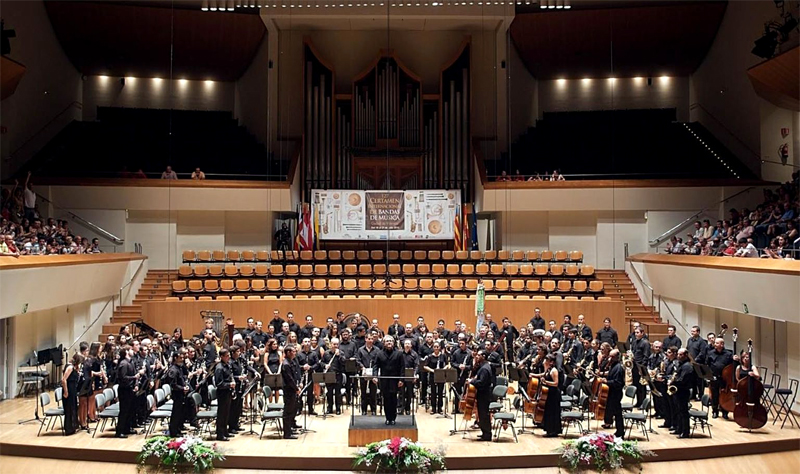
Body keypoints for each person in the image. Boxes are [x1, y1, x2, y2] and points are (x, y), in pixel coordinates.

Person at [374, 336, 405, 425]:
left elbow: (402, 367)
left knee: (394, 400)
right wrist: (375, 376)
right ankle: (388, 418)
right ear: (384, 343)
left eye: (391, 341)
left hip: (395, 381)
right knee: (386, 400)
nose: (389, 342)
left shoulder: (399, 354)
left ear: (394, 343)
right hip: (384, 381)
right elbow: (375, 366)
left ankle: (393, 418)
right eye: (387, 341)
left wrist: (401, 379)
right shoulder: (379, 353)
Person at [468, 350, 495, 441]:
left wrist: (472, 381)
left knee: (484, 415)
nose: (477, 356)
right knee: (482, 414)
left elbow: (481, 383)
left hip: (484, 394)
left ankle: (487, 435)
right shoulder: (484, 366)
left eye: (479, 355)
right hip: (483, 394)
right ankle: (485, 433)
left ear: (483, 356)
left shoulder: (484, 368)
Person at [706, 337, 734, 419]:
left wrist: (736, 360)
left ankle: (725, 412)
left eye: (717, 343)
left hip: (725, 379)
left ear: (722, 344)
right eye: (715, 343)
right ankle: (715, 411)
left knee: (725, 396)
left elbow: (732, 366)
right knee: (714, 395)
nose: (715, 344)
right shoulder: (710, 353)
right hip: (714, 377)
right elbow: (707, 364)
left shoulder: (728, 354)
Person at [672, 348, 696, 438]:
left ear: (686, 355)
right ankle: (679, 428)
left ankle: (685, 432)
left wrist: (672, 382)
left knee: (683, 412)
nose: (678, 356)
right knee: (678, 411)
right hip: (678, 391)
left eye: (681, 354)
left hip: (683, 391)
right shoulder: (680, 364)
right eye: (678, 354)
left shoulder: (687, 366)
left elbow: (682, 380)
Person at [115, 345, 138, 438]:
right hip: (124, 390)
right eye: (131, 350)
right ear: (127, 352)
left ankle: (127, 428)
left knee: (130, 410)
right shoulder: (124, 364)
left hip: (130, 389)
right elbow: (123, 377)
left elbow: (134, 373)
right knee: (124, 411)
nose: (133, 351)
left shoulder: (130, 362)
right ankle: (120, 431)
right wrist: (134, 377)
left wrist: (136, 385)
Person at [213, 349, 235, 441]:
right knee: (221, 414)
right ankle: (220, 434)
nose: (229, 357)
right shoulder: (219, 368)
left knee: (226, 413)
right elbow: (219, 384)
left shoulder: (227, 365)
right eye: (227, 356)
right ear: (221, 357)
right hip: (222, 393)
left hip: (227, 392)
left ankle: (225, 431)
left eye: (229, 355)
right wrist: (229, 384)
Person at [165, 349, 188, 437]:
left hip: (181, 393)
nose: (182, 359)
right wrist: (182, 388)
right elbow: (173, 385)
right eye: (180, 358)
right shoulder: (173, 370)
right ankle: (174, 432)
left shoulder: (179, 368)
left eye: (183, 357)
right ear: (175, 358)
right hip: (177, 394)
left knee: (179, 413)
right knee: (176, 413)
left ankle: (178, 429)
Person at [603, 349, 626, 438]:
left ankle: (620, 432)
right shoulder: (613, 366)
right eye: (610, 356)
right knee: (615, 413)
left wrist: (607, 382)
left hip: (615, 394)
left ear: (617, 357)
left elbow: (618, 383)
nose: (610, 358)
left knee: (618, 414)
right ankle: (619, 431)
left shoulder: (619, 368)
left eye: (612, 357)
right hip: (611, 393)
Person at [61, 353, 84, 435]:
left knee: (73, 408)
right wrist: (66, 392)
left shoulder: (74, 367)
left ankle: (73, 427)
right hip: (68, 390)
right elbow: (64, 380)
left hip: (73, 389)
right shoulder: (70, 367)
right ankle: (68, 429)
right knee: (69, 409)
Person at [281, 344, 300, 439]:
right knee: (288, 412)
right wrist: (296, 389)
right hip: (289, 391)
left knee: (292, 410)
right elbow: (289, 379)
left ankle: (290, 430)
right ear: (288, 353)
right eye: (293, 351)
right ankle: (287, 434)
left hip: (292, 390)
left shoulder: (290, 362)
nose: (295, 353)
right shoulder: (286, 364)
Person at [357, 334, 379, 416]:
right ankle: (364, 410)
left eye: (372, 339)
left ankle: (373, 410)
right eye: (369, 339)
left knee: (373, 393)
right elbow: (357, 360)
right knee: (363, 393)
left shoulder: (377, 350)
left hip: (373, 374)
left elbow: (377, 362)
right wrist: (362, 367)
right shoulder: (360, 350)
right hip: (364, 374)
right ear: (365, 339)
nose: (370, 340)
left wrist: (375, 374)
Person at [541, 354, 562, 437]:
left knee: (553, 412)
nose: (545, 362)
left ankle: (553, 431)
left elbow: (556, 383)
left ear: (552, 362)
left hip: (554, 394)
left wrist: (546, 382)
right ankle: (549, 430)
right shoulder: (548, 369)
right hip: (549, 393)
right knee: (548, 412)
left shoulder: (554, 370)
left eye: (547, 360)